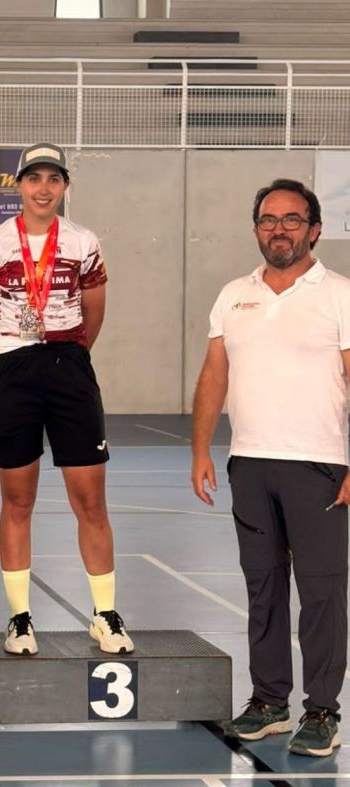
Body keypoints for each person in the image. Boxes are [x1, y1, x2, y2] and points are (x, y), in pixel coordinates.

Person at [192, 178, 350, 757]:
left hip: (319, 466)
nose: (278, 229)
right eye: (268, 219)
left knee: (322, 593)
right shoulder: (234, 295)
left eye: (291, 219)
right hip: (250, 464)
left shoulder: (340, 295)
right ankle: (269, 702)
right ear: (256, 227)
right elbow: (215, 374)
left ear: (314, 229)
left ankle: (323, 711)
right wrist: (201, 449)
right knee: (263, 588)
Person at [0, 143, 134, 656]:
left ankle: (104, 614)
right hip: (12, 370)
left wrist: (69, 358)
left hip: (69, 368)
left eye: (53, 179)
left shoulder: (83, 242)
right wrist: (10, 362)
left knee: (91, 501)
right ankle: (20, 619)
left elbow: (94, 310)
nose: (43, 188)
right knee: (18, 501)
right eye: (34, 178)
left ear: (64, 186)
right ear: (19, 185)